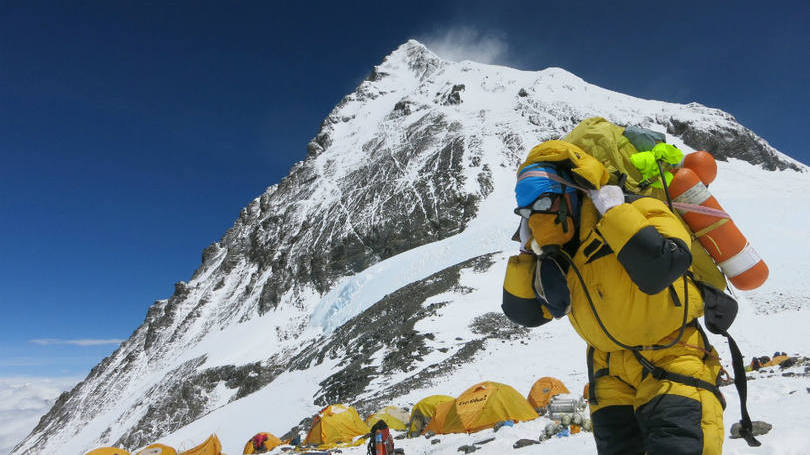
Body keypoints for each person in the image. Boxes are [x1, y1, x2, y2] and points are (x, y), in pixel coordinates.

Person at [502, 133, 734, 455]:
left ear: (573, 191)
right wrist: (527, 253)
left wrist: (614, 215)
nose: (536, 215)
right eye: (526, 210)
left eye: (542, 201)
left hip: (674, 357)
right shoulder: (556, 257)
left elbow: (664, 266)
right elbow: (525, 314)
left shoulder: (642, 208)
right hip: (607, 374)